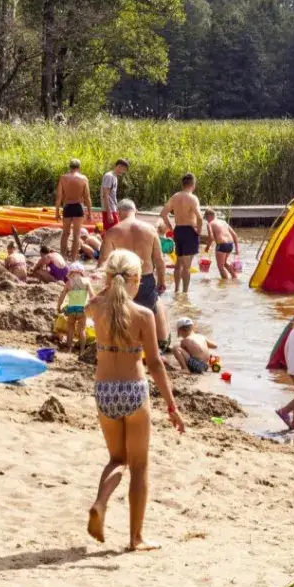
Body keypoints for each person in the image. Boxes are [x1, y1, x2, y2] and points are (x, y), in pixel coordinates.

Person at [85, 250, 186, 552]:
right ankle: (136, 538)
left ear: (108, 279)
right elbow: (155, 363)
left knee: (117, 460)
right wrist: (172, 406)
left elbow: (90, 304)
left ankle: (101, 502)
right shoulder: (143, 315)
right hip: (132, 391)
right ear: (137, 280)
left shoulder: (96, 308)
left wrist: (107, 285)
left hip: (104, 391)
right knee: (139, 466)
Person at [99, 199, 168, 349]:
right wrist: (162, 281)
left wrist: (104, 286)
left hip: (120, 279)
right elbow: (159, 260)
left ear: (119, 213)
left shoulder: (112, 232)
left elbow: (104, 262)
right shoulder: (150, 229)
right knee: (149, 312)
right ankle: (157, 344)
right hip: (145, 278)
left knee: (123, 315)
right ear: (135, 211)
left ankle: (124, 345)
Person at [160, 173, 202, 294]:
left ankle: (176, 290)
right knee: (187, 267)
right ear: (193, 184)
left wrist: (171, 228)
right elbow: (199, 217)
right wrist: (198, 231)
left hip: (178, 230)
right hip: (189, 231)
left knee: (178, 264)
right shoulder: (192, 198)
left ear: (182, 184)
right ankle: (185, 293)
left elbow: (163, 213)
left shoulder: (175, 196)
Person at [55, 158, 93, 261]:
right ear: (79, 167)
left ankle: (62, 257)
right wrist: (90, 213)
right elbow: (87, 197)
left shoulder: (63, 178)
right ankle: (73, 259)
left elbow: (59, 197)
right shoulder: (83, 178)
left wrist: (56, 212)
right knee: (76, 235)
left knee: (65, 233)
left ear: (70, 167)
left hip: (67, 207)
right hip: (78, 207)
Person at [57, 262, 92, 352]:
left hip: (71, 309)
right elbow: (92, 296)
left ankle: (68, 349)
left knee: (70, 330)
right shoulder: (87, 282)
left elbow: (62, 296)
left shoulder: (68, 283)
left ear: (71, 272)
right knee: (82, 330)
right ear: (81, 272)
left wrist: (59, 306)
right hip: (82, 309)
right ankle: (82, 351)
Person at [203, 208, 240, 279]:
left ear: (209, 216)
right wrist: (237, 249)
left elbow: (211, 237)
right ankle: (235, 278)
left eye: (206, 218)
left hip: (222, 245)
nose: (206, 220)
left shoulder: (210, 224)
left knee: (220, 266)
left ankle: (225, 282)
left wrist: (207, 247)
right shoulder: (224, 222)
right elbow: (235, 235)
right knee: (225, 263)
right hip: (230, 244)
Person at [101, 159, 126, 231]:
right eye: (124, 169)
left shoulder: (115, 177)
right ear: (119, 166)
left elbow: (112, 196)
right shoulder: (109, 176)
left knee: (114, 232)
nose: (124, 172)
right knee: (112, 232)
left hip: (112, 209)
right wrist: (109, 213)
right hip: (109, 210)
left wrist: (116, 208)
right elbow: (105, 195)